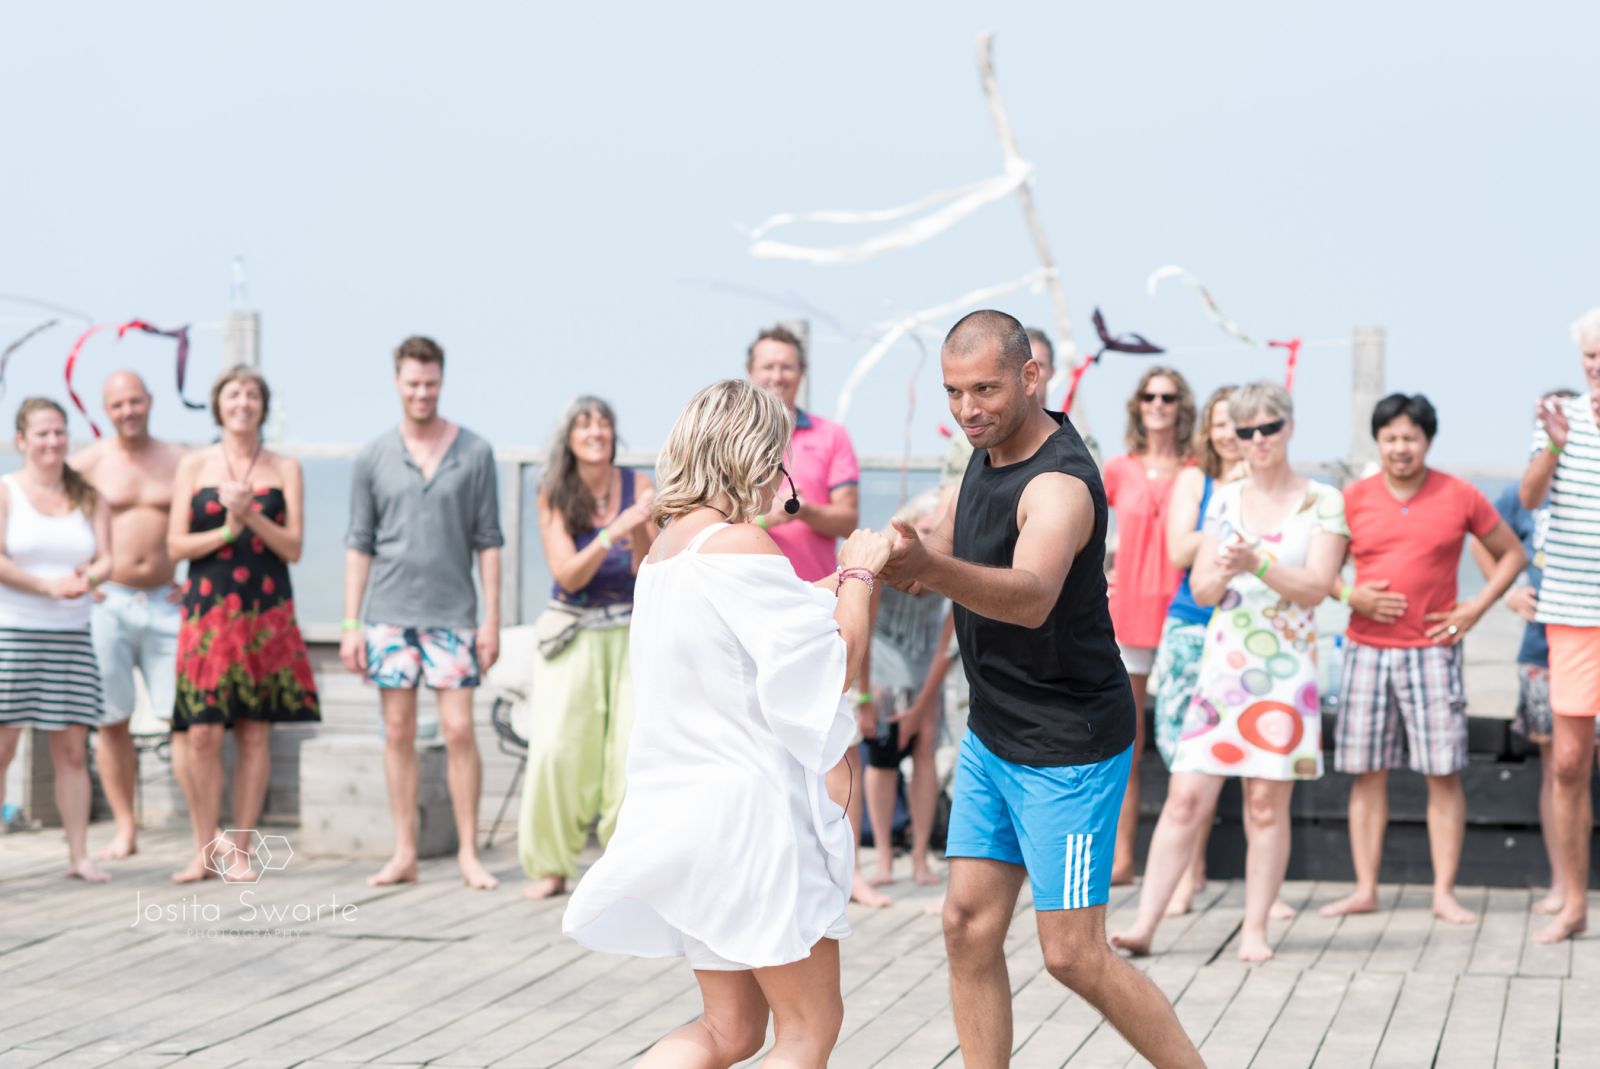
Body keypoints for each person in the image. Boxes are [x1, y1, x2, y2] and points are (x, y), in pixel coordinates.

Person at [882, 310, 1203, 1069]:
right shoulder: (985, 451)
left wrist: (930, 568)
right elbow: (956, 553)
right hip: (994, 732)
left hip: (1069, 745)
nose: (967, 409)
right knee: (965, 924)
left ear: (1031, 377)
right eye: (954, 392)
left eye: (985, 389)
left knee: (1073, 955)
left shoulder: (1060, 484)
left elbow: (1029, 596)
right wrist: (908, 559)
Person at [564, 378, 890, 1069]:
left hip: (686, 818)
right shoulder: (742, 543)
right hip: (752, 824)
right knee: (808, 1029)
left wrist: (833, 587)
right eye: (777, 460)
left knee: (728, 1030)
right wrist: (859, 573)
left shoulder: (665, 552)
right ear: (751, 455)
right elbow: (834, 663)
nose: (780, 478)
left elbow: (762, 622)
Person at [1113, 381, 1347, 964]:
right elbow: (1201, 588)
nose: (1258, 439)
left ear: (1289, 427)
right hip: (1224, 666)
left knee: (1265, 804)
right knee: (1185, 797)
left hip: (1287, 669)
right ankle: (1144, 924)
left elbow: (1317, 587)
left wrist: (1256, 562)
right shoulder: (1225, 498)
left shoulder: (1323, 500)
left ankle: (1254, 929)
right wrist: (1224, 570)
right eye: (1247, 431)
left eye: (1269, 427)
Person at [1319, 394, 1524, 924]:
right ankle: (1365, 889)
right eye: (1390, 438)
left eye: (1410, 437)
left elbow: (1512, 555)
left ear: (1427, 440)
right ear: (1378, 442)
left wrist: (1475, 608)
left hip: (1434, 653)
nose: (1400, 447)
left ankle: (1444, 894)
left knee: (1443, 773)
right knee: (1366, 773)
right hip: (1366, 651)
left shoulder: (1460, 494)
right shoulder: (1353, 498)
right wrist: (1351, 596)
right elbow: (1324, 572)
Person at [342, 336, 505, 891]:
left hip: (454, 615)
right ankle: (404, 852)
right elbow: (359, 542)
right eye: (412, 383)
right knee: (397, 730)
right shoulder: (373, 455)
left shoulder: (475, 452)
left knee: (458, 729)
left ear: (442, 381)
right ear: (397, 382)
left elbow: (489, 541)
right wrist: (350, 624)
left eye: (430, 383)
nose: (421, 393)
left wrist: (490, 619)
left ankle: (468, 852)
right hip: (388, 613)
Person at [745, 324, 888, 909]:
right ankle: (772, 861)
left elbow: (847, 515)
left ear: (801, 374)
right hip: (754, 604)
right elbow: (724, 522)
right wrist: (771, 519)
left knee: (837, 739)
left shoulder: (831, 436)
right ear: (751, 372)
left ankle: (847, 871)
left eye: (786, 366)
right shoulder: (738, 436)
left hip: (821, 600)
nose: (777, 375)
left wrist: (797, 508)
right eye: (767, 366)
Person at [168, 367, 319, 882]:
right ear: (217, 405)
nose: (243, 403)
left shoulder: (285, 467)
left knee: (255, 732)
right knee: (202, 731)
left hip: (264, 610)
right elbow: (176, 545)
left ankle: (241, 849)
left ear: (263, 406)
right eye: (233, 394)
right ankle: (203, 847)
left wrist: (250, 516)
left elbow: (293, 547)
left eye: (252, 395)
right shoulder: (193, 465)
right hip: (209, 611)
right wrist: (228, 529)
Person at [520, 396, 655, 900]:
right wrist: (609, 534)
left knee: (630, 753)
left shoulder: (638, 486)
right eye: (584, 424)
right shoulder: (554, 492)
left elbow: (648, 568)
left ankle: (624, 867)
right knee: (556, 751)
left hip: (629, 633)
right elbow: (567, 574)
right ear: (569, 438)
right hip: (573, 634)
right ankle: (551, 866)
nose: (596, 432)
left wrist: (638, 530)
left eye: (603, 423)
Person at [1485, 394, 1596, 918]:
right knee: (1562, 766)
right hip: (1552, 637)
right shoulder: (1537, 470)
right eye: (1589, 357)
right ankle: (1564, 890)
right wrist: (1506, 592)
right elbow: (1491, 534)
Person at [70, 371, 186, 862]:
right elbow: (51, 517)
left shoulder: (179, 459)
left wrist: (197, 580)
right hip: (109, 602)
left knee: (186, 718)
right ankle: (125, 827)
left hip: (167, 601)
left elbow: (207, 518)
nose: (128, 412)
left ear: (150, 401)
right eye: (118, 405)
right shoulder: (88, 463)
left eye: (135, 401)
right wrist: (81, 574)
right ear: (105, 409)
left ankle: (204, 829)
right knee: (111, 718)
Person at [0, 398, 113, 882]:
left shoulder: (89, 496)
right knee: (3, 749)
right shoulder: (6, 491)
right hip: (13, 633)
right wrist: (47, 586)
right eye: (42, 433)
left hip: (72, 637)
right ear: (22, 440)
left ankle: (79, 856)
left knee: (71, 753)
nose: (52, 441)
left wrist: (87, 580)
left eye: (59, 432)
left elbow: (108, 559)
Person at [1519, 307, 1600, 944]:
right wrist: (1554, 443)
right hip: (1572, 613)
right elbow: (1529, 498)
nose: (1597, 366)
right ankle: (1573, 902)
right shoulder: (1559, 418)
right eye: (1591, 356)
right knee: (1569, 762)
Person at [1150, 384, 1245, 915]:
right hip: (1191, 624)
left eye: (1240, 423)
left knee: (1238, 753)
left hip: (1246, 629)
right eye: (1221, 422)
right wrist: (1230, 518)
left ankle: (1203, 871)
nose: (1230, 433)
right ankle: (1187, 872)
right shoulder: (1195, 480)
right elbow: (1177, 550)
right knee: (1182, 751)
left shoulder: (1268, 485)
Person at [1104, 367, 1195, 885]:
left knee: (1191, 746)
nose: (1158, 404)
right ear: (1138, 404)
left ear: (1182, 406)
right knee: (1127, 743)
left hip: (1186, 615)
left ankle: (1192, 867)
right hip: (1130, 615)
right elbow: (1082, 526)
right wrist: (1099, 576)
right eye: (1150, 396)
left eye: (1168, 396)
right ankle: (1123, 858)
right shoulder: (1119, 469)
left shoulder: (1198, 468)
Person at [863, 490, 947, 888]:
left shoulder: (947, 568)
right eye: (922, 529)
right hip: (883, 673)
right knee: (882, 759)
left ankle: (919, 858)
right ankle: (883, 858)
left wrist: (923, 704)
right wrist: (863, 695)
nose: (926, 539)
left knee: (925, 752)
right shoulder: (882, 564)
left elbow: (947, 644)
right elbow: (863, 629)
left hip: (926, 672)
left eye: (934, 532)